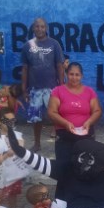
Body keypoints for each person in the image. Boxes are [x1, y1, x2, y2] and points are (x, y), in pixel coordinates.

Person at [21, 17, 65, 152]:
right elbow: (25, 68)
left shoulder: (54, 44)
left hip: (52, 88)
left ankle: (61, 142)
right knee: (36, 118)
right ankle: (37, 143)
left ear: (46, 28)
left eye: (42, 26)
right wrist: (24, 88)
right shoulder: (27, 46)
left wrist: (62, 86)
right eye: (37, 26)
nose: (39, 29)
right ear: (33, 28)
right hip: (34, 89)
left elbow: (59, 65)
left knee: (57, 116)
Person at [48, 62, 102, 162]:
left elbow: (97, 111)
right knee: (64, 167)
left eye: (77, 75)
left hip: (86, 135)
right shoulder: (57, 91)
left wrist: (89, 122)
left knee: (85, 166)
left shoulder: (89, 92)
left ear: (81, 76)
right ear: (66, 74)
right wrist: (66, 123)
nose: (74, 77)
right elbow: (52, 112)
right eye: (71, 74)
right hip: (64, 135)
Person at [0, 107, 31, 208]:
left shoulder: (16, 134)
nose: (10, 124)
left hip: (14, 170)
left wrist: (16, 148)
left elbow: (20, 144)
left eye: (13, 121)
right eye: (7, 121)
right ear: (0, 121)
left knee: (13, 194)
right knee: (0, 194)